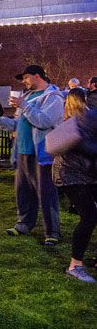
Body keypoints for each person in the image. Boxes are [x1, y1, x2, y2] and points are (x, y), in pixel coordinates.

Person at [0, 65, 63, 244]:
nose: (24, 81)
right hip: (22, 151)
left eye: (26, 77)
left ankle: (52, 232)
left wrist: (25, 106)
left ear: (37, 76)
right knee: (23, 191)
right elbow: (17, 123)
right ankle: (23, 224)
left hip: (42, 153)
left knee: (46, 193)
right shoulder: (28, 97)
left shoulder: (53, 97)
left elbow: (44, 121)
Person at [46, 89, 97, 282]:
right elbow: (88, 146)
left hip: (89, 173)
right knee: (90, 216)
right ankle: (75, 266)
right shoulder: (87, 118)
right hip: (70, 173)